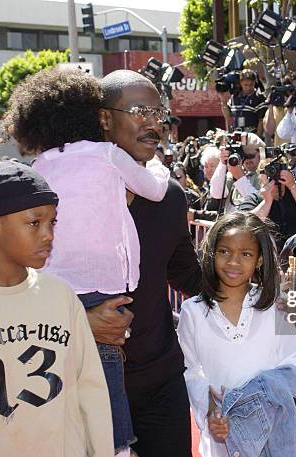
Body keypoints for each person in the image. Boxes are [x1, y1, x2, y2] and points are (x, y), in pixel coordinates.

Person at [0, 68, 173, 457]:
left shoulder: (40, 166)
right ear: (98, 117)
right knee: (107, 401)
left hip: (53, 297)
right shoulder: (108, 154)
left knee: (65, 398)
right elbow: (155, 190)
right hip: (105, 294)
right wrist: (159, 166)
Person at [0, 161, 114, 457]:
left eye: (52, 222)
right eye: (34, 222)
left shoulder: (61, 296)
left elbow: (91, 392)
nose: (48, 234)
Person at [97, 69, 202, 457]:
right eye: (140, 111)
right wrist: (80, 317)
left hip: (161, 379)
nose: (153, 123)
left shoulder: (169, 196)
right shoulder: (65, 198)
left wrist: (250, 279)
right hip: (92, 381)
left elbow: (185, 273)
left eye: (159, 112)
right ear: (104, 118)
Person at [177, 211, 296, 457]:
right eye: (224, 251)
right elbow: (191, 371)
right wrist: (212, 412)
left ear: (259, 260)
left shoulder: (274, 307)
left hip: (275, 435)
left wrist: (259, 394)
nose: (233, 262)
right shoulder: (193, 311)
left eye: (245, 254)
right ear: (212, 253)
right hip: (224, 438)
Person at [238, 158, 296, 245]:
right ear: (260, 176)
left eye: (277, 170)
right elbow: (246, 226)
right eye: (268, 170)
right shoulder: (254, 199)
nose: (273, 174)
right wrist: (267, 201)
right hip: (272, 254)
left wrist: (292, 185)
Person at [208, 132, 265, 213]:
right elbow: (216, 193)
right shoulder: (234, 173)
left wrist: (240, 178)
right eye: (243, 156)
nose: (247, 160)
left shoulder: (266, 175)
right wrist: (222, 163)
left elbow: (260, 203)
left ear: (262, 154)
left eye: (250, 156)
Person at [220, 69, 267, 136]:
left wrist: (257, 138)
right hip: (237, 133)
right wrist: (223, 100)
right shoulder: (234, 97)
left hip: (251, 135)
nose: (248, 88)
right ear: (240, 83)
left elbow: (261, 120)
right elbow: (228, 117)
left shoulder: (259, 97)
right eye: (246, 85)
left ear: (254, 82)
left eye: (251, 85)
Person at [263, 71, 296, 146]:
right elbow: (269, 131)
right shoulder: (275, 109)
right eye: (291, 91)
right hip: (282, 151)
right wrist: (271, 106)